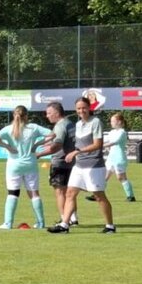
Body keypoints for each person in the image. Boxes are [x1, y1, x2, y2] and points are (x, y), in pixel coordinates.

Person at [48, 97, 115, 233]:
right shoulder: (78, 124)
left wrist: (76, 152)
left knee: (98, 196)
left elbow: (98, 144)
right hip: (79, 165)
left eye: (84, 107)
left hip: (94, 165)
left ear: (89, 108)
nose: (81, 110)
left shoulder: (96, 122)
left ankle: (110, 226)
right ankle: (64, 225)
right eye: (78, 108)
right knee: (70, 193)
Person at [0, 105, 48, 229]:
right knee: (34, 193)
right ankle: (41, 222)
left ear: (14, 115)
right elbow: (52, 135)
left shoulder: (8, 129)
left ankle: (8, 223)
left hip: (14, 165)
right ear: (26, 116)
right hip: (30, 164)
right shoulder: (34, 128)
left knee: (13, 193)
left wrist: (7, 146)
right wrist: (37, 143)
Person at [36, 101, 79, 227]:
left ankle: (63, 219)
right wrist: (49, 143)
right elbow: (65, 142)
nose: (47, 116)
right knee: (70, 192)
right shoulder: (70, 124)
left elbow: (58, 145)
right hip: (71, 163)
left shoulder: (59, 126)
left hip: (60, 163)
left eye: (49, 113)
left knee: (60, 192)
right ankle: (74, 218)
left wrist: (39, 154)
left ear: (56, 112)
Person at [103, 112, 136, 202]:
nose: (111, 123)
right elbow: (106, 141)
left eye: (113, 121)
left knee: (121, 177)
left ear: (119, 122)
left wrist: (100, 146)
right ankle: (98, 194)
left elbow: (114, 142)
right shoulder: (111, 132)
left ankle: (131, 196)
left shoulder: (122, 132)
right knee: (104, 176)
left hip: (119, 158)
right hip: (111, 157)